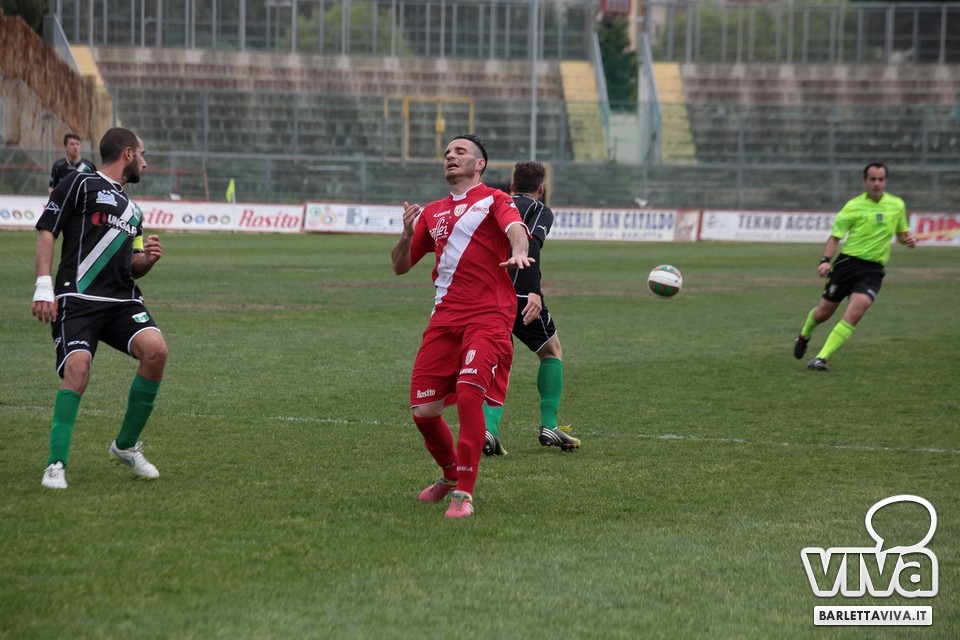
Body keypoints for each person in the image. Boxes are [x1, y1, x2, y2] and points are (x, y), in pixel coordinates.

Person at [391, 133, 533, 518]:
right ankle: (451, 473)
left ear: (479, 164)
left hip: (488, 315)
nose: (450, 156)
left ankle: (464, 493)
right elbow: (400, 266)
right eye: (447, 153)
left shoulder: (495, 199)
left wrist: (519, 252)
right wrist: (406, 235)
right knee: (424, 411)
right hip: (444, 318)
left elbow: (515, 229)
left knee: (470, 395)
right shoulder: (432, 212)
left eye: (460, 151)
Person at [33, 127, 168, 489]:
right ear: (127, 153)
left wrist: (147, 260)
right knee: (78, 369)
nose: (145, 163)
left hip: (121, 300)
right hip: (78, 298)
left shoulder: (134, 211)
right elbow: (47, 229)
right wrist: (43, 285)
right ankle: (55, 465)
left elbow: (133, 264)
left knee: (156, 351)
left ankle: (125, 446)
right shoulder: (79, 183)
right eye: (142, 154)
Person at [482, 161, 580, 456]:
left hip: (485, 294)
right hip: (520, 293)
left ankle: (488, 430)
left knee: (498, 359)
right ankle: (549, 425)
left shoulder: (493, 204)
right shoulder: (539, 210)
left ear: (512, 185)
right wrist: (533, 291)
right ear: (541, 188)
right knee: (552, 352)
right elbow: (530, 245)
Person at [793, 162, 916, 371]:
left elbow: (901, 235)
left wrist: (908, 240)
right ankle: (804, 335)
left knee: (857, 310)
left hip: (873, 270)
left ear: (886, 181)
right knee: (823, 313)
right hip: (847, 264)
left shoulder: (897, 205)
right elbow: (835, 237)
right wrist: (825, 261)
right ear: (865, 181)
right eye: (872, 179)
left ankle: (821, 358)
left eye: (880, 179)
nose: (876, 183)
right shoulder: (853, 206)